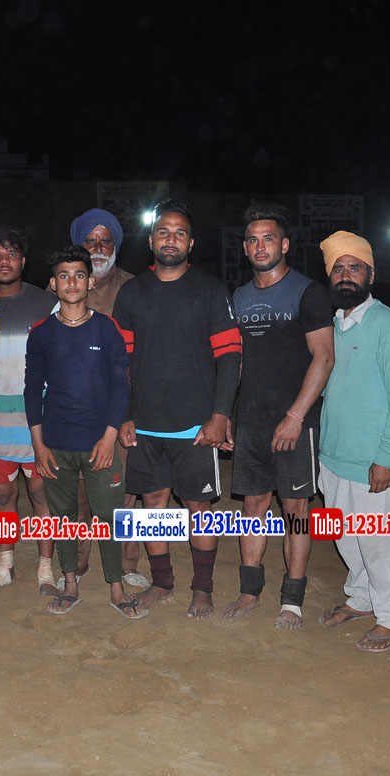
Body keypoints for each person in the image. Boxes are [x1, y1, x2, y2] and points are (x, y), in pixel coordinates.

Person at [112, 199, 242, 617]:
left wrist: (220, 415)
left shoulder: (210, 290)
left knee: (198, 510)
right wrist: (124, 415)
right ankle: (162, 582)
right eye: (163, 232)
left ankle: (202, 588)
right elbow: (121, 362)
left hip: (195, 426)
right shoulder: (132, 292)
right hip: (146, 425)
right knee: (153, 506)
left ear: (191, 243)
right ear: (151, 240)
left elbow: (230, 357)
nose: (171, 239)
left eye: (180, 233)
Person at [222, 202, 333, 629]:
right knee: (253, 504)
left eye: (268, 239)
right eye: (252, 240)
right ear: (245, 248)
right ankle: (250, 591)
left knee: (295, 508)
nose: (260, 247)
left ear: (284, 245)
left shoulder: (308, 292)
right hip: (252, 421)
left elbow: (324, 357)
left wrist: (296, 416)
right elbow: (237, 362)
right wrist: (227, 413)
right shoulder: (239, 297)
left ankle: (292, 599)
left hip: (295, 421)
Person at [313, 232, 390, 652]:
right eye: (338, 268)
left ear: (370, 275)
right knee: (346, 537)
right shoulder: (331, 325)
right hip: (333, 455)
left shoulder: (387, 326)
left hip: (371, 459)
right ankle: (360, 597)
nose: (346, 275)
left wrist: (387, 457)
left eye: (354, 268)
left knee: (377, 543)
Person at [26, 246, 141, 616]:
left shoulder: (107, 329)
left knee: (109, 518)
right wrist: (38, 445)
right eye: (64, 275)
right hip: (56, 444)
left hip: (99, 444)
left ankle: (116, 589)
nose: (72, 282)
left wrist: (109, 437)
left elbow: (120, 386)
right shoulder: (41, 333)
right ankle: (70, 583)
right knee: (64, 519)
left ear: (90, 282)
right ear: (53, 284)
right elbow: (32, 391)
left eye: (79, 275)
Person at [65, 209, 146, 588]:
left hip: (121, 408)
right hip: (73, 410)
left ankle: (127, 563)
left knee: (123, 490)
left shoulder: (135, 288)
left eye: (105, 241)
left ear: (116, 246)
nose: (98, 248)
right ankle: (78, 562)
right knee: (78, 491)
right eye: (90, 241)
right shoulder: (61, 286)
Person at [0, 225, 56, 596]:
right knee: (2, 498)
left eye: (11, 254)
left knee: (41, 495)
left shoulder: (46, 304)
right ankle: (5, 567)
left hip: (36, 421)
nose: (4, 261)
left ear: (23, 261)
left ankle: (45, 570)